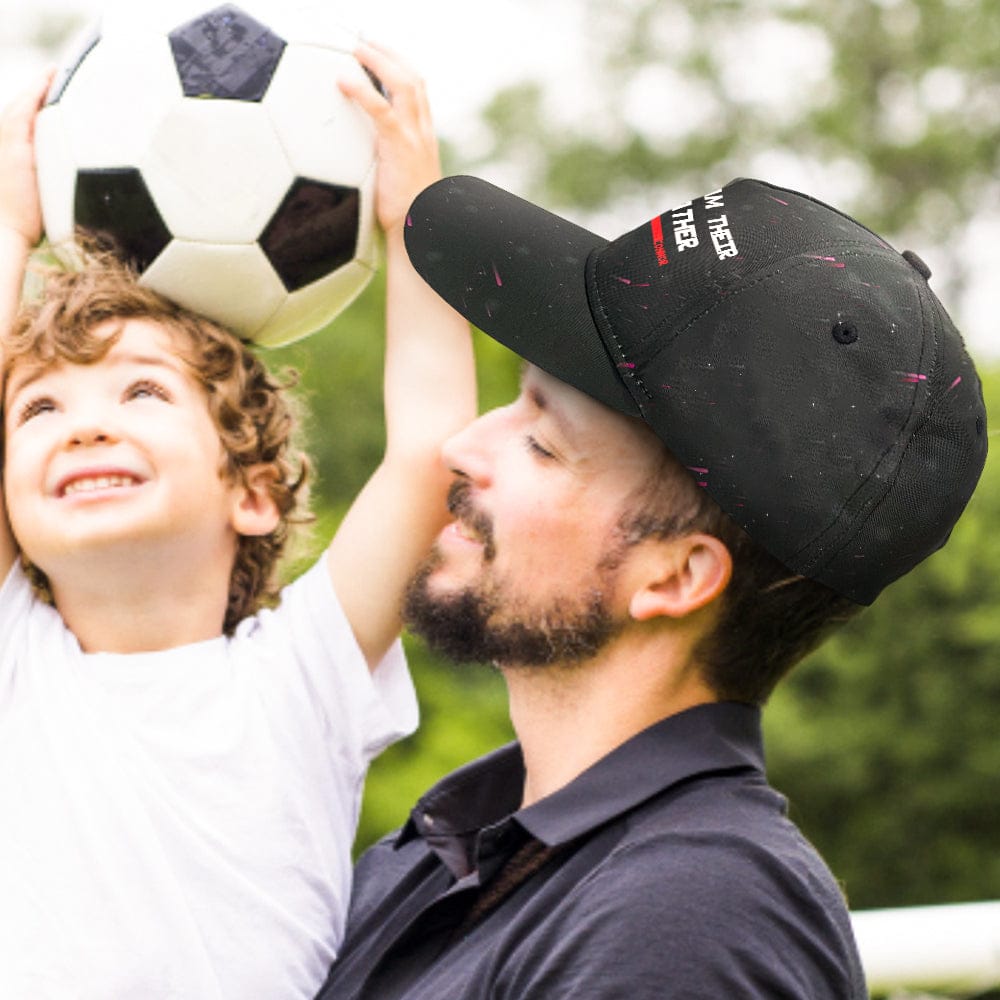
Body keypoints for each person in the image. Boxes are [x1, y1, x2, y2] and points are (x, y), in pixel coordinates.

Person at [318, 175, 988, 998]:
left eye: (543, 442)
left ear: (676, 575)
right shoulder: (462, 846)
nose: (463, 447)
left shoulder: (687, 925)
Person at [0, 45, 474, 1000]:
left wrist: (416, 221)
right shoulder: (16, 657)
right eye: (40, 410)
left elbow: (431, 455)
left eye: (141, 392)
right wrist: (12, 229)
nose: (87, 423)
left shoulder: (302, 673)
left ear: (251, 493)